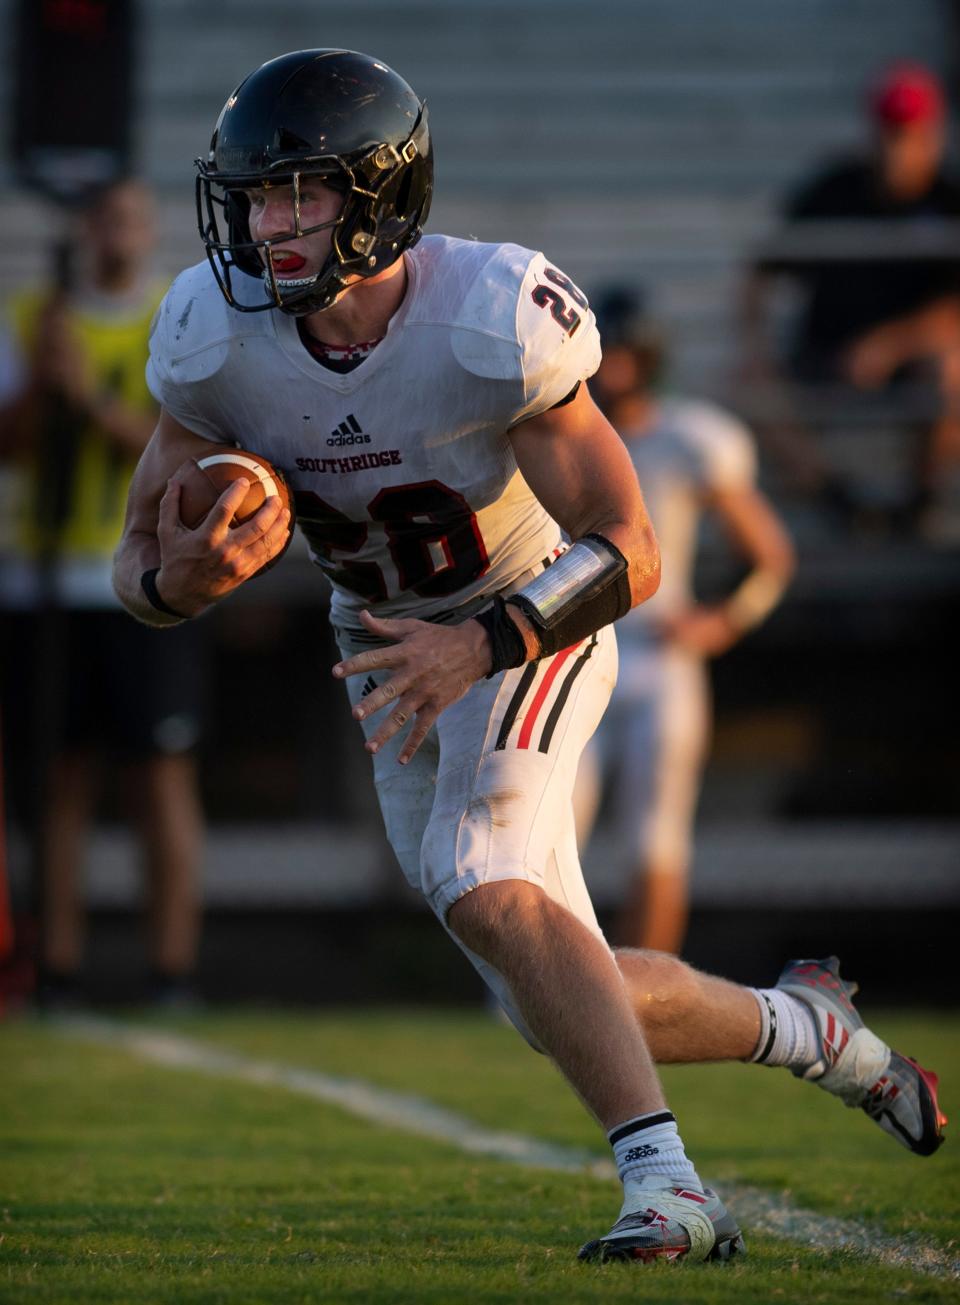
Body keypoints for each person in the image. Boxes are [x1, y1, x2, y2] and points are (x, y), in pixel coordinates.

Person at [112, 50, 946, 1265]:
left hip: (528, 610)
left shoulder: (486, 314)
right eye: (254, 193)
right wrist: (175, 585)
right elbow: (136, 561)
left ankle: (667, 1186)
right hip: (389, 640)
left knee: (473, 865)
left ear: (380, 196)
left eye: (303, 192)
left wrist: (484, 643)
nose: (269, 223)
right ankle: (811, 1030)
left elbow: (635, 549)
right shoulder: (209, 331)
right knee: (547, 991)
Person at [0, 178, 206, 1008]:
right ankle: (58, 965)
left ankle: (172, 970)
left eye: (127, 217)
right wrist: (45, 388)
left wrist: (86, 394)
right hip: (37, 579)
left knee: (159, 771)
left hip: (149, 577)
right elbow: (9, 445)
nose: (114, 233)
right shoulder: (32, 320)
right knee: (60, 778)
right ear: (84, 228)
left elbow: (180, 449)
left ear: (145, 226)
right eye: (101, 218)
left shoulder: (178, 319)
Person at [577, 321, 795, 954]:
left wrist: (725, 620)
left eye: (621, 357)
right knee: (550, 829)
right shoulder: (555, 427)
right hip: (574, 645)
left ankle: (646, 989)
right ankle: (533, 996)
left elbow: (770, 556)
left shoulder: (687, 437)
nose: (610, 372)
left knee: (656, 837)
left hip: (656, 649)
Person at [741, 61, 960, 530]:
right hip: (824, 357)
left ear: (934, 133)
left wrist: (890, 344)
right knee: (747, 383)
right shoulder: (835, 189)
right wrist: (755, 343)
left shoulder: (948, 199)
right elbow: (761, 271)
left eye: (910, 132)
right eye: (890, 130)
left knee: (952, 368)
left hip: (911, 366)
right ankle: (841, 503)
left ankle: (921, 501)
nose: (898, 146)